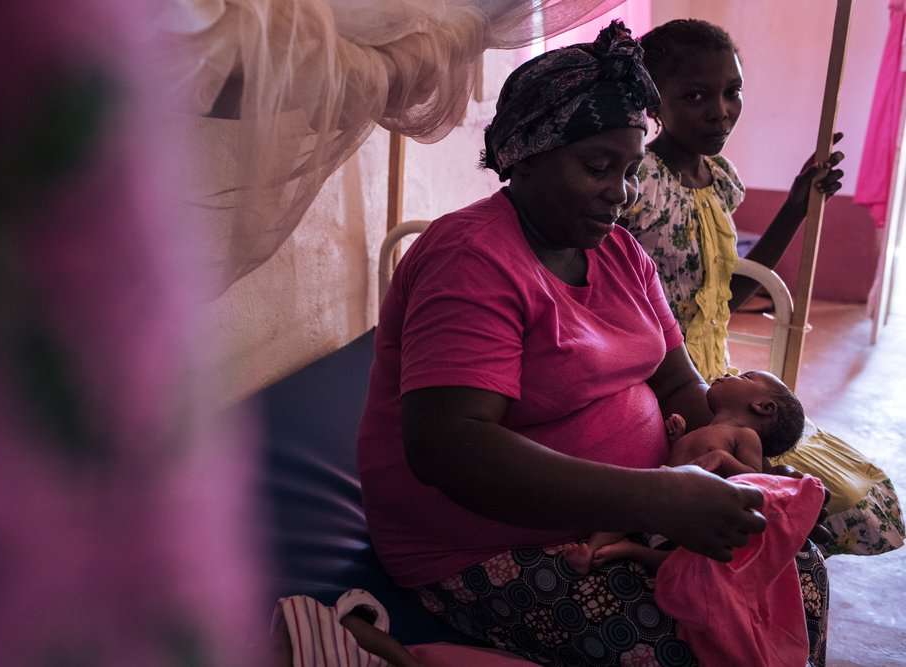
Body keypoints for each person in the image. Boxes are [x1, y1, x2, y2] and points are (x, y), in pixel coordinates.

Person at [357, 21, 826, 666]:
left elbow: (677, 379)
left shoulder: (619, 251)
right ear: (525, 154)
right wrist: (655, 496)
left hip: (623, 507)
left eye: (630, 169)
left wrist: (712, 453)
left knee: (795, 569)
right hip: (478, 549)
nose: (621, 191)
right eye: (597, 166)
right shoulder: (472, 259)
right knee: (693, 644)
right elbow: (449, 448)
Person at [621, 18, 844, 664]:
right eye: (695, 95)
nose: (720, 111)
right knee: (790, 513)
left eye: (732, 92)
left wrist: (798, 203)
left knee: (843, 500)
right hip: (664, 377)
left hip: (714, 368)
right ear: (654, 99)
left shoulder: (717, 180)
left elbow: (736, 291)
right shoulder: (637, 186)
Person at [567, 369, 806, 574]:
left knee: (687, 561)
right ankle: (590, 550)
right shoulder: (707, 430)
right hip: (660, 497)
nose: (728, 374)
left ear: (763, 406)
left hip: (694, 515)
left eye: (745, 376)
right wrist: (678, 439)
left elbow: (754, 480)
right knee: (622, 513)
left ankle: (631, 550)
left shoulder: (744, 435)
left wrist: (722, 458)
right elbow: (679, 465)